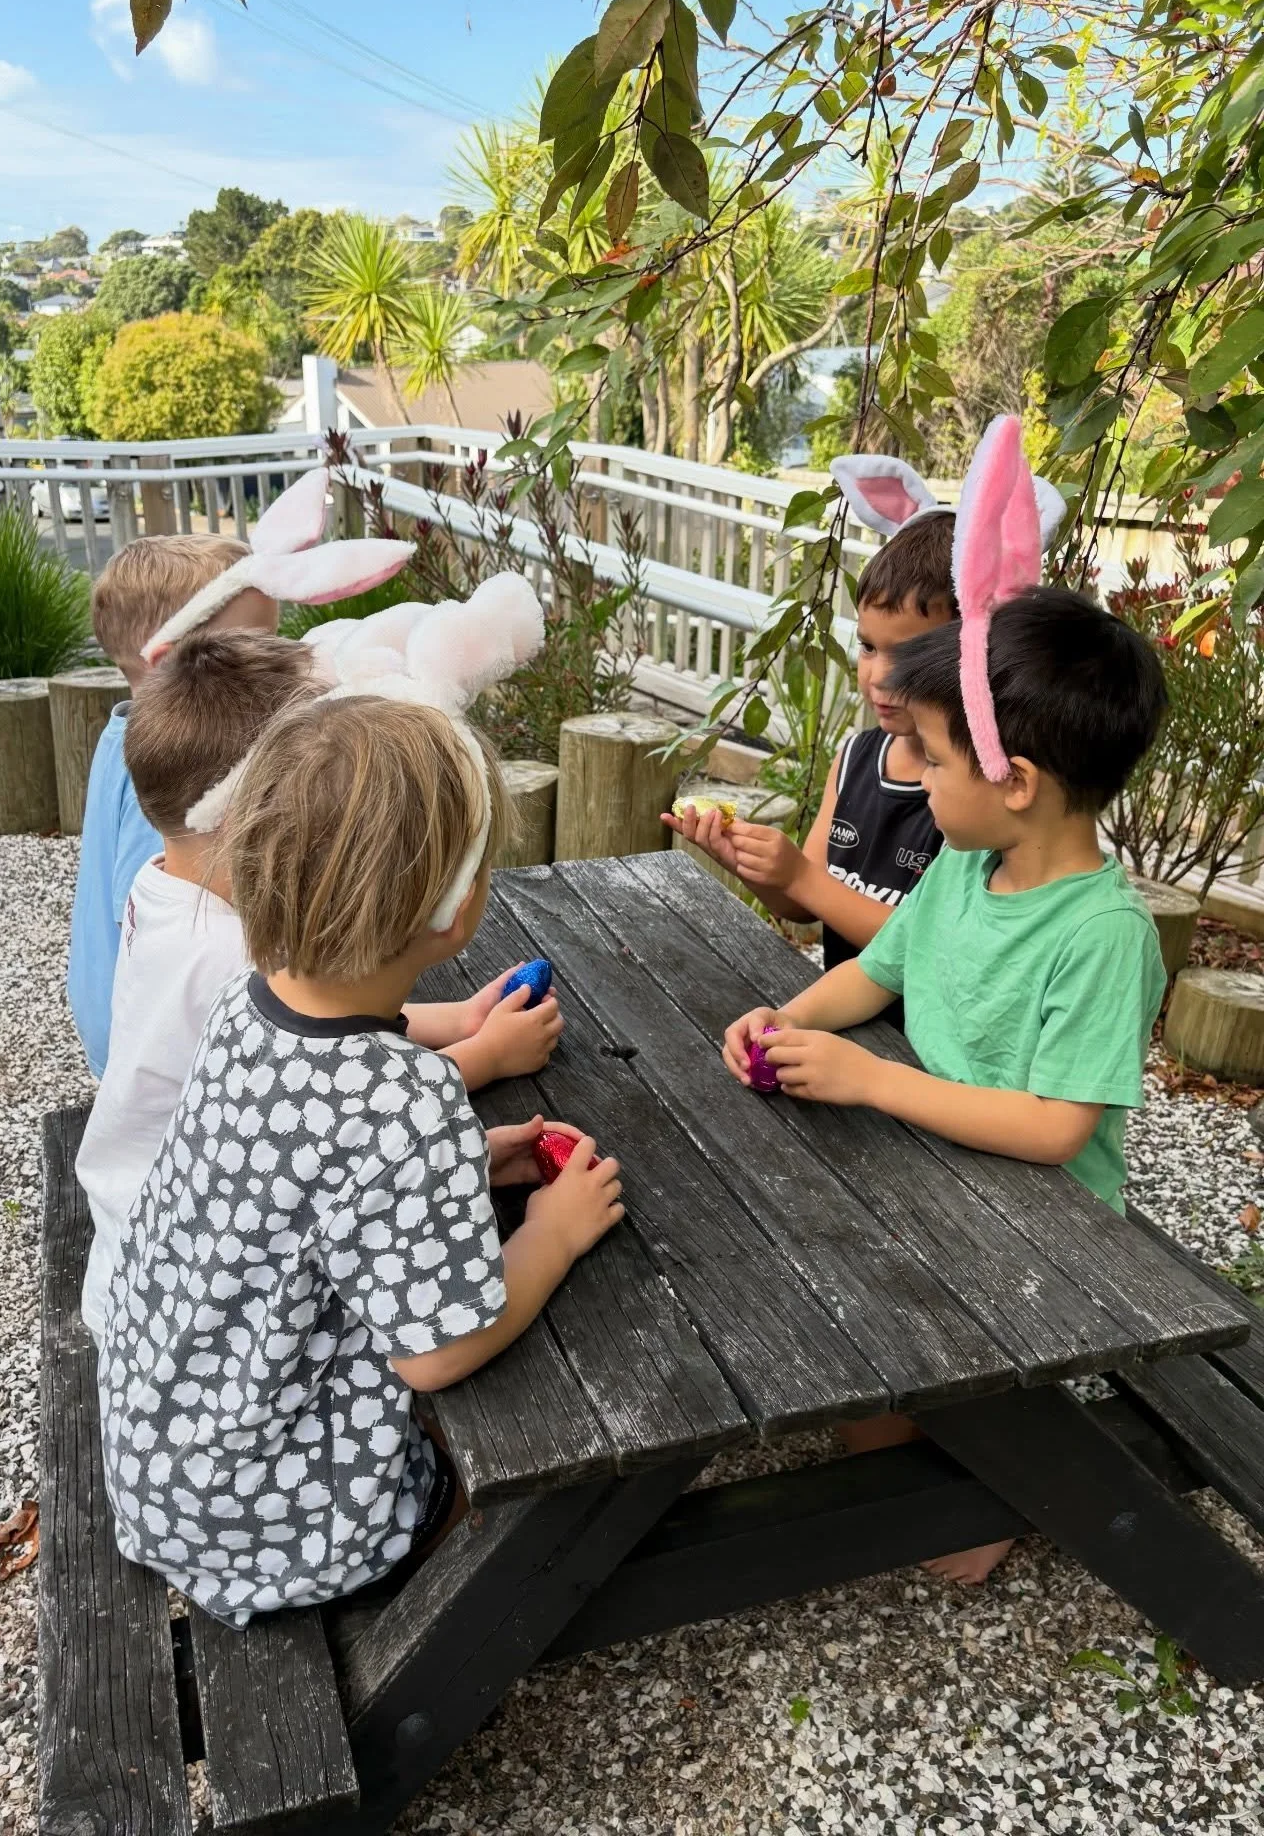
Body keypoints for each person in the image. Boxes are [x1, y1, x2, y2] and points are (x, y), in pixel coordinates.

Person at [724, 417, 1168, 1581]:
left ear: (1014, 783)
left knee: (939, 1526)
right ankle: (923, 1446)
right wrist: (791, 1019)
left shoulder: (1103, 934)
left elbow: (1058, 1128)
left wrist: (879, 1079)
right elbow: (879, 970)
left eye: (929, 753)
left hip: (1042, 1233)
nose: (906, 773)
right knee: (811, 1299)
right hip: (938, 1165)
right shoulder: (971, 864)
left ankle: (995, 1473)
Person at [97, 694, 623, 1625]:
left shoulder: (244, 1005)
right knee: (499, 1463)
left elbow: (305, 1178)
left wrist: (471, 1158)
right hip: (271, 1527)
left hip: (163, 1460)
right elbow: (439, 1353)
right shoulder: (402, 1097)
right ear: (458, 908)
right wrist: (554, 1233)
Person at [76, 627, 565, 1346]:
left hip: (162, 1284)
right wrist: (555, 1231)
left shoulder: (218, 951)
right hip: (225, 1338)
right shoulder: (231, 960)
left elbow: (316, 1077)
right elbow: (437, 1349)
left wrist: (462, 1034)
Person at [665, 472, 962, 1026]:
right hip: (840, 1022)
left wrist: (803, 877)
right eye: (869, 647)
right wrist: (759, 867)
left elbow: (928, 950)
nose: (879, 676)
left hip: (925, 1055)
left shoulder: (970, 794)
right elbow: (804, 908)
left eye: (909, 655)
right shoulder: (854, 761)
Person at [65, 532, 265, 1077]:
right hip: (153, 1043)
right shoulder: (166, 778)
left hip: (131, 1014)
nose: (273, 663)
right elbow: (163, 927)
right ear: (171, 656)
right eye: (249, 647)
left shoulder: (135, 739)